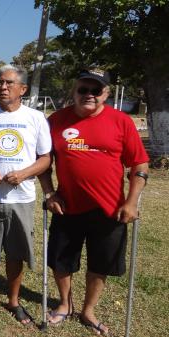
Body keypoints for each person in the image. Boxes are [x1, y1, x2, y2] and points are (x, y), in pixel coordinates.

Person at [38, 69, 149, 335]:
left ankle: (88, 311)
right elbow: (43, 160)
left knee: (100, 263)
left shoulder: (121, 121)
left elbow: (139, 164)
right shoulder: (57, 120)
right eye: (83, 89)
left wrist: (132, 201)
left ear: (106, 94)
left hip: (109, 209)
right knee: (61, 260)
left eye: (96, 91)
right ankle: (65, 304)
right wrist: (49, 193)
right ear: (74, 90)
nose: (89, 95)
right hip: (67, 206)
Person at [0, 64, 52, 325]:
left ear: (22, 89)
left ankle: (14, 300)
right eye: (0, 83)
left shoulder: (36, 118)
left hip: (22, 198)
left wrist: (24, 174)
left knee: (16, 252)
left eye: (9, 83)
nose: (2, 87)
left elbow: (45, 158)